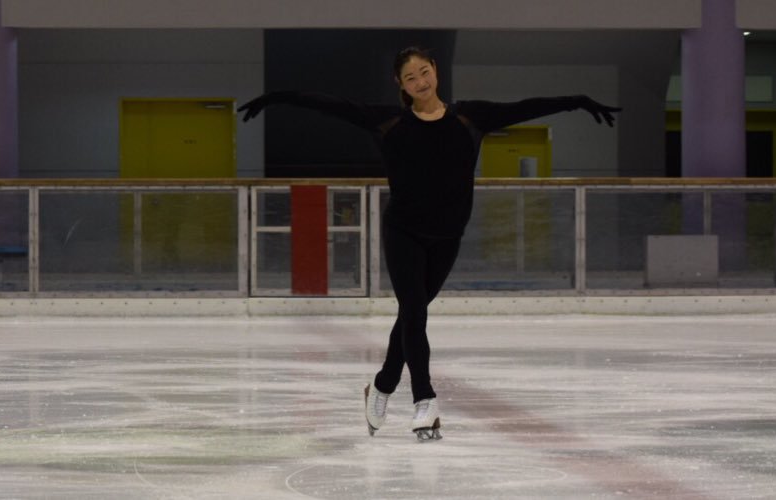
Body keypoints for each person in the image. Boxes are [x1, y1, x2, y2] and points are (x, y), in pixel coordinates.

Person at [238, 47, 619, 441]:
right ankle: (425, 401)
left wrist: (577, 101)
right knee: (415, 313)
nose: (420, 82)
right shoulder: (389, 122)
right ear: (400, 85)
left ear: (435, 70)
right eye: (411, 78)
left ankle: (382, 385)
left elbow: (525, 108)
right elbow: (333, 106)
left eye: (424, 72)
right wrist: (279, 96)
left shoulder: (470, 117)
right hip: (403, 233)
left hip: (447, 237)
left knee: (410, 314)